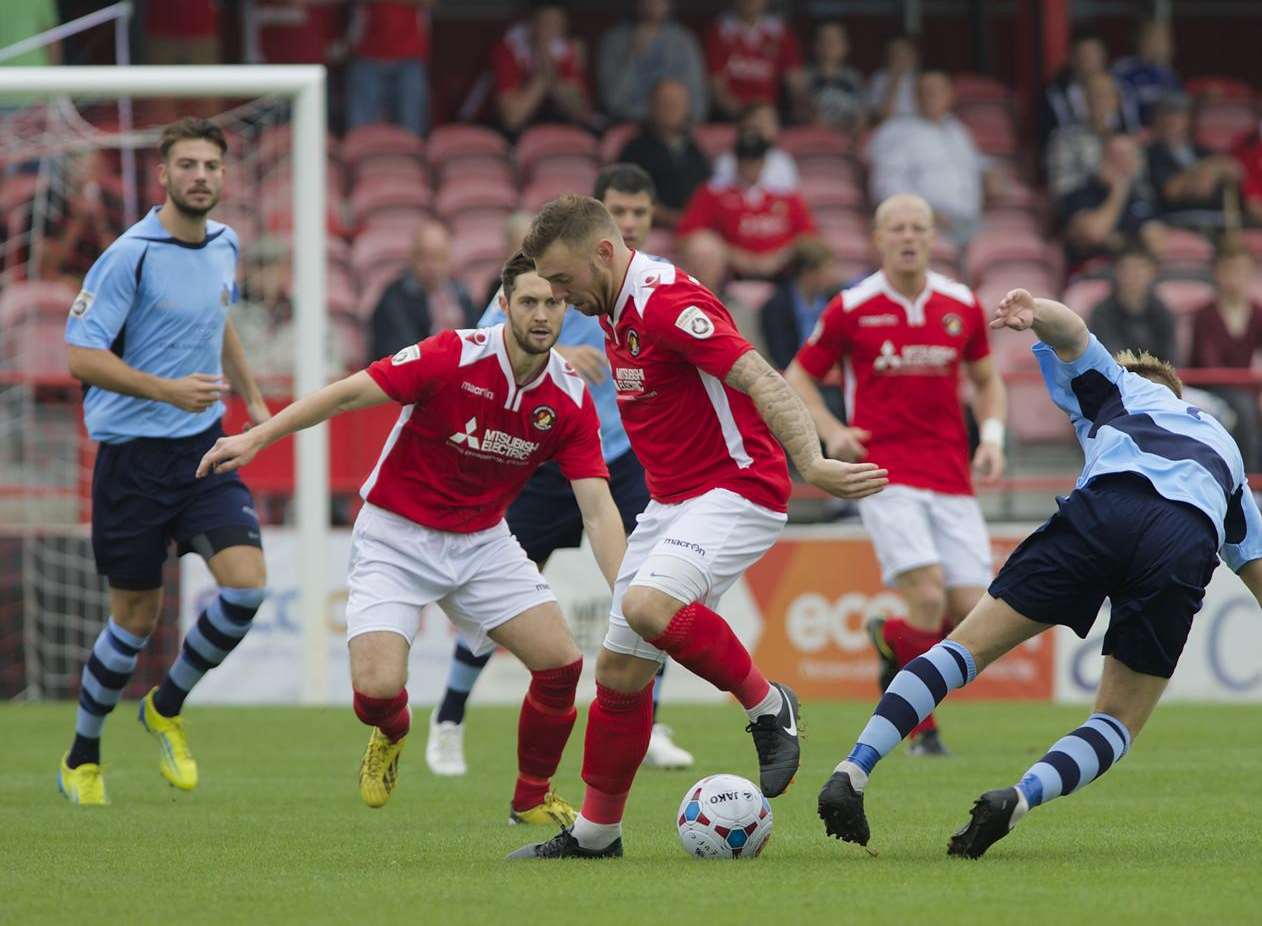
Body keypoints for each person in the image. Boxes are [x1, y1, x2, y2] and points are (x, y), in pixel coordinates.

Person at [817, 287, 1262, 859]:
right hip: (1186, 539)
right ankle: (1019, 798)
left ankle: (853, 769)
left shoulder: (1123, 387)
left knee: (962, 650)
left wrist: (1034, 312)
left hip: (1106, 508)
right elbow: (1253, 568)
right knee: (1117, 721)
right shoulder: (1226, 452)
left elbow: (1072, 333)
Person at [509, 194, 889, 859]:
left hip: (737, 487)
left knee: (647, 604)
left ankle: (770, 706)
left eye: (564, 281)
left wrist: (813, 462)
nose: (560, 297)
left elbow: (761, 377)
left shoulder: (665, 304)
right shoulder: (614, 303)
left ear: (603, 251)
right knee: (620, 671)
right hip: (672, 501)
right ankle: (598, 836)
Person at [197, 250, 628, 826]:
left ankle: (531, 796)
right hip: (395, 536)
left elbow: (597, 511)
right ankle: (393, 729)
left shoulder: (569, 398)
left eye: (553, 302)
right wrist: (258, 438)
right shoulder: (452, 354)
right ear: (503, 306)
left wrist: (627, 593)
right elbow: (347, 393)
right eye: (528, 301)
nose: (542, 314)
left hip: (481, 542)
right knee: (375, 691)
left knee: (560, 666)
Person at [427, 164, 694, 776]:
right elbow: (492, 330)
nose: (628, 224)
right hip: (545, 462)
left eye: (639, 215)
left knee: (650, 592)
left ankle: (647, 726)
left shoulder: (656, 290)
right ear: (599, 217)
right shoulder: (561, 274)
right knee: (495, 603)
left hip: (623, 459)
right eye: (618, 212)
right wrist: (553, 348)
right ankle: (448, 720)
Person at [57, 118, 270, 805]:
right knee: (135, 618)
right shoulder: (130, 255)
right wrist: (165, 389)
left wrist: (256, 403)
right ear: (165, 175)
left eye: (212, 164)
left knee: (245, 588)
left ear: (223, 175)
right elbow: (80, 356)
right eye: (188, 165)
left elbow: (219, 321)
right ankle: (82, 756)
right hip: (131, 461)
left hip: (203, 451)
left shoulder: (226, 244)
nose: (201, 175)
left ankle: (165, 706)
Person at [785, 193, 1007, 756]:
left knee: (973, 614)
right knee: (928, 598)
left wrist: (994, 437)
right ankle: (921, 734)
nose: (908, 237)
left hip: (951, 475)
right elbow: (797, 379)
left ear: (933, 238)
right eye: (896, 228)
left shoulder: (961, 303)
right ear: (878, 239)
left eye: (918, 228)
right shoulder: (852, 306)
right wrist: (833, 433)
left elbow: (986, 380)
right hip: (884, 474)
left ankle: (890, 636)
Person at [868, 71, 1003, 246]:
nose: (931, 96)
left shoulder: (957, 130)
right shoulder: (897, 130)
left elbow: (974, 160)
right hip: (924, 225)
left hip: (968, 222)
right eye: (925, 91)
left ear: (950, 96)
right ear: (916, 96)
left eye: (938, 90)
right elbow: (885, 185)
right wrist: (925, 213)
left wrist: (989, 170)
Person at [678, 132, 817, 282]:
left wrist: (779, 258)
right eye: (745, 159)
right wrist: (735, 256)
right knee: (703, 247)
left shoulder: (784, 195)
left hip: (784, 274)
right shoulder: (713, 192)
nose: (750, 165)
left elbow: (808, 236)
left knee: (815, 253)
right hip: (728, 274)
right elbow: (689, 234)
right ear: (736, 160)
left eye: (756, 159)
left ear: (764, 161)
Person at [1189, 243, 1262, 472]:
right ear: (1217, 272)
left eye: (1242, 270)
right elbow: (1212, 368)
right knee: (1244, 406)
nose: (1236, 277)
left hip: (1246, 390)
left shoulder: (1258, 313)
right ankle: (1248, 478)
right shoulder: (1205, 314)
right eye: (1230, 270)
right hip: (1209, 389)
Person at [368, 221, 479, 360]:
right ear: (412, 257)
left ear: (450, 259)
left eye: (439, 257)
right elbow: (402, 354)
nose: (431, 265)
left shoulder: (460, 293)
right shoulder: (394, 298)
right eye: (423, 256)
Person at [1059, 134, 1164, 275]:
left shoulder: (1141, 196)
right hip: (1090, 274)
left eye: (1129, 156)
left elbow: (1157, 242)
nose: (1124, 162)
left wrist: (1118, 241)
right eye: (1117, 156)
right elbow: (1095, 233)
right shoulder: (1080, 193)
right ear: (1102, 160)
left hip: (1133, 275)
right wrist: (1118, 191)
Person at [617, 78, 712, 228]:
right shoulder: (635, 149)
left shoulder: (694, 149)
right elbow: (628, 195)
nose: (672, 107)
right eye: (665, 102)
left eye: (678, 103)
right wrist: (671, 218)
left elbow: (708, 189)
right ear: (652, 106)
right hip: (650, 230)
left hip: (694, 228)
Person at [597, 0, 707, 125]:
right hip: (631, 122)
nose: (653, 3)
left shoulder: (684, 41)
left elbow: (697, 99)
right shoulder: (614, 40)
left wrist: (691, 122)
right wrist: (632, 56)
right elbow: (613, 101)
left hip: (677, 124)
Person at [492, 0, 592, 135]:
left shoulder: (564, 49)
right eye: (547, 24)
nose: (553, 33)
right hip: (495, 129)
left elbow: (581, 113)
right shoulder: (508, 48)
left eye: (559, 26)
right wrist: (545, 72)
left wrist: (573, 68)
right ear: (532, 25)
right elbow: (513, 119)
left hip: (549, 130)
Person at [1146, 92, 1241, 229]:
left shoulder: (1202, 151)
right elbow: (1171, 191)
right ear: (1157, 119)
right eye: (1167, 114)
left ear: (1189, 120)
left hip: (1218, 219)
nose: (1172, 120)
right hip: (1177, 221)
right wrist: (1206, 171)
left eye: (1179, 115)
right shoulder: (1152, 153)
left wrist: (1209, 170)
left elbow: (1236, 171)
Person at [705, 0, 805, 122]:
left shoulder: (780, 31)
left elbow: (796, 82)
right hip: (731, 116)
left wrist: (802, 105)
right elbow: (718, 87)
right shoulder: (719, 30)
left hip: (771, 115)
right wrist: (745, 116)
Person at [346, 1, 434, 137]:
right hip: (368, 54)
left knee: (411, 125)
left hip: (410, 56)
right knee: (361, 129)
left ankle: (409, 158)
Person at [1039, 31, 1138, 147]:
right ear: (1071, 58)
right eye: (1084, 54)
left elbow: (1131, 129)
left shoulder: (1122, 87)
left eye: (1094, 53)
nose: (1089, 59)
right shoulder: (1055, 93)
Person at [1088, 245, 1177, 362]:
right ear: (1116, 271)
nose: (1133, 275)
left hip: (1155, 378)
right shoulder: (1101, 313)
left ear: (1153, 272)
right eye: (1126, 268)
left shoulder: (1164, 312)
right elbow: (1108, 357)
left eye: (1140, 268)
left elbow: (1170, 359)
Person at [710, 101, 799, 193]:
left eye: (769, 121)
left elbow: (789, 200)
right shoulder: (726, 161)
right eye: (759, 120)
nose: (764, 126)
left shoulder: (783, 161)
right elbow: (718, 197)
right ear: (744, 123)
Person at [1113, 18, 1181, 128]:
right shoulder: (1124, 70)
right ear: (1141, 40)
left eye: (1164, 39)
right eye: (1154, 38)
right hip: (1133, 133)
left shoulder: (1169, 75)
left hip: (1161, 135)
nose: (1161, 44)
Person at [799, 21, 865, 131]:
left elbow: (862, 116)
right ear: (815, 45)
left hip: (848, 137)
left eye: (835, 40)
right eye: (824, 40)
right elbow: (803, 114)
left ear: (845, 46)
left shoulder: (854, 78)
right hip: (816, 138)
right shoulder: (804, 77)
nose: (829, 45)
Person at [866, 34, 919, 124]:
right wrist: (895, 79)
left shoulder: (920, 79)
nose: (900, 58)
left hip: (915, 126)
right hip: (888, 126)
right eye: (895, 53)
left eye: (904, 53)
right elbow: (882, 116)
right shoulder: (879, 78)